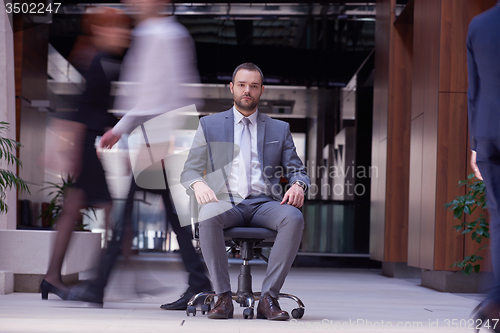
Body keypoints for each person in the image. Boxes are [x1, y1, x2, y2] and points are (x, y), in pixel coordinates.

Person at [72, 0, 212, 309]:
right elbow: (167, 95)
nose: (132, 3)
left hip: (156, 133)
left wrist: (126, 130)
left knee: (127, 214)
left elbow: (158, 96)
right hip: (156, 131)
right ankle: (199, 281)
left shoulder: (159, 34)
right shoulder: (162, 32)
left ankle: (99, 286)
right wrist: (125, 129)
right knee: (166, 214)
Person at [181, 63, 310, 320]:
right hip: (226, 201)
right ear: (232, 88)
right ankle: (223, 297)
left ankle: (269, 298)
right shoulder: (210, 125)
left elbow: (298, 170)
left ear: (262, 90)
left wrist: (299, 184)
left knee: (293, 217)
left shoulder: (279, 129)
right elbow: (189, 170)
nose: (247, 91)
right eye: (241, 85)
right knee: (208, 214)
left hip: (265, 204)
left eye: (253, 86)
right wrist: (199, 184)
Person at [41, 7, 130, 300]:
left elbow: (95, 109)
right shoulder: (97, 60)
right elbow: (80, 110)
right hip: (86, 146)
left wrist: (113, 130)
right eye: (118, 28)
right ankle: (107, 279)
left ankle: (52, 278)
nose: (124, 34)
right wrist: (72, 152)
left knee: (73, 211)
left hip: (90, 143)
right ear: (101, 29)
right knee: (109, 210)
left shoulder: (102, 60)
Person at [467, 2, 500, 331]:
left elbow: (473, 90)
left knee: (499, 219)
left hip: (489, 133)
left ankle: (495, 301)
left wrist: (476, 143)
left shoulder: (479, 24)